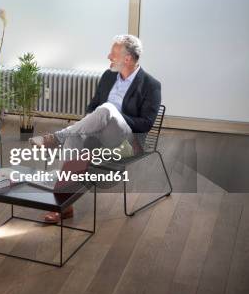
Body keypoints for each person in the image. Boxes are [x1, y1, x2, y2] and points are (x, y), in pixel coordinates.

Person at [30, 34, 161, 223]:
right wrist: (98, 119)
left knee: (107, 108)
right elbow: (92, 108)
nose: (109, 57)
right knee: (74, 138)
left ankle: (56, 137)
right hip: (99, 134)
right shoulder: (108, 76)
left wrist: (112, 114)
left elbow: (146, 124)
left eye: (113, 54)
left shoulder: (151, 85)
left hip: (126, 140)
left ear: (128, 58)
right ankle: (63, 205)